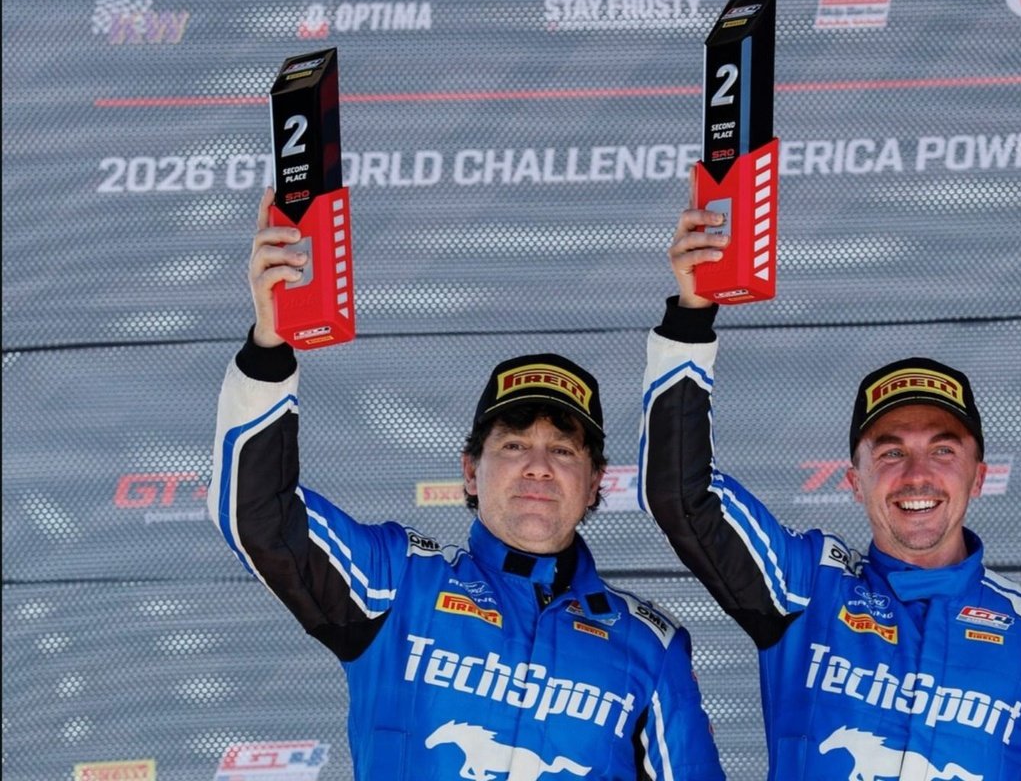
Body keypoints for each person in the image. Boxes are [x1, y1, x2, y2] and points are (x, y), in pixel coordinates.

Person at [208, 188, 725, 781]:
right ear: (469, 471)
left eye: (563, 450)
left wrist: (692, 317)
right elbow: (260, 516)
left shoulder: (649, 646)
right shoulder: (399, 583)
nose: (538, 466)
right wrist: (270, 347)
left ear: (594, 484)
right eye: (513, 445)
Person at [637, 205, 1021, 779]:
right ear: (854, 481)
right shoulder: (808, 588)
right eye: (891, 453)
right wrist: (690, 318)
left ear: (979, 477)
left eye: (943, 451)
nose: (917, 475)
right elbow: (683, 494)